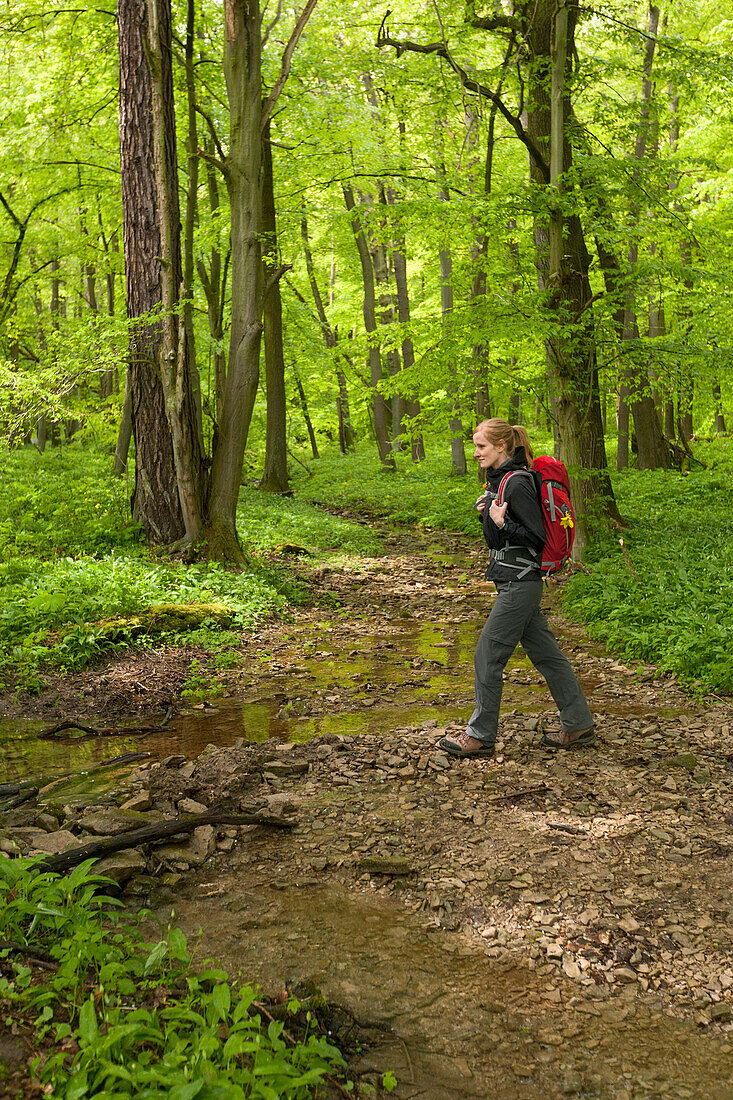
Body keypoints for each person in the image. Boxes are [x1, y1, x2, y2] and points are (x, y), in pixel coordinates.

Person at [439, 418, 595, 759]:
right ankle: (579, 723)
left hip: (519, 585)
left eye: (481, 446)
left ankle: (480, 736)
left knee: (487, 655)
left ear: (501, 447)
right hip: (514, 582)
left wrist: (502, 521)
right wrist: (488, 517)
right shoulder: (498, 482)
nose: (476, 452)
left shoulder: (518, 482)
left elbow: (536, 538)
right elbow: (499, 540)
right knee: (548, 657)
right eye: (476, 445)